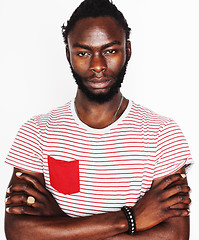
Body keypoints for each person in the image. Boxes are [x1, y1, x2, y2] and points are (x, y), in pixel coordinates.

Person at [5, 0, 192, 239]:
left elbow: (174, 236)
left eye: (110, 50)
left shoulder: (163, 134)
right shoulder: (37, 132)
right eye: (83, 53)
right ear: (68, 54)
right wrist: (131, 219)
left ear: (128, 50)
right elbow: (18, 232)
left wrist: (60, 225)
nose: (97, 66)